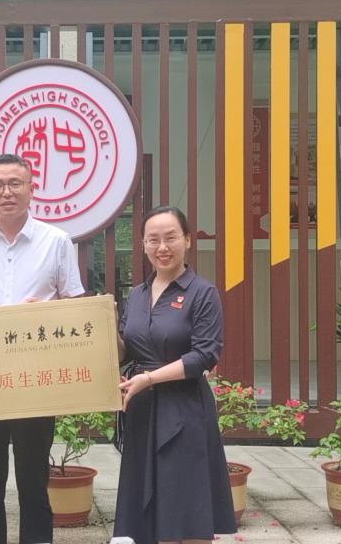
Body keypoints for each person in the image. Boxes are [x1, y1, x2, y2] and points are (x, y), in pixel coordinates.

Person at [0, 153, 85, 544]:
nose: (6, 192)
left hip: (35, 381)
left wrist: (42, 313)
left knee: (33, 483)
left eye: (15, 183)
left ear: (31, 189)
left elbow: (74, 303)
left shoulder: (56, 241)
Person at [113, 206, 236, 544]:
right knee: (152, 518)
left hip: (184, 412)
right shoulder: (136, 295)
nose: (162, 247)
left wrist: (150, 379)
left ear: (188, 240)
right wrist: (105, 330)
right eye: (153, 240)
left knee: (187, 511)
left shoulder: (202, 292)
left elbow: (204, 356)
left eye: (171, 238)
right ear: (143, 245)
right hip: (142, 412)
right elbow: (127, 351)